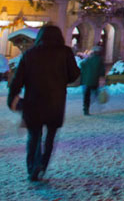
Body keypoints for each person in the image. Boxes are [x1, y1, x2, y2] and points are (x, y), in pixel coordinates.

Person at [7, 25, 80, 181]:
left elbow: (17, 81)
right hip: (56, 102)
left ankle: (32, 166)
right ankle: (42, 165)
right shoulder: (65, 52)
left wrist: (12, 98)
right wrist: (61, 79)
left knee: (34, 136)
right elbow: (74, 75)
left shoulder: (30, 54)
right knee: (50, 137)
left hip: (34, 102)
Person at [79, 47, 105, 115]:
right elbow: (102, 71)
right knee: (95, 93)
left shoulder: (88, 59)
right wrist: (102, 78)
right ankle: (97, 106)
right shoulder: (100, 59)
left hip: (86, 81)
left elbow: (82, 65)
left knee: (87, 95)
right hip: (94, 80)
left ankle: (86, 109)